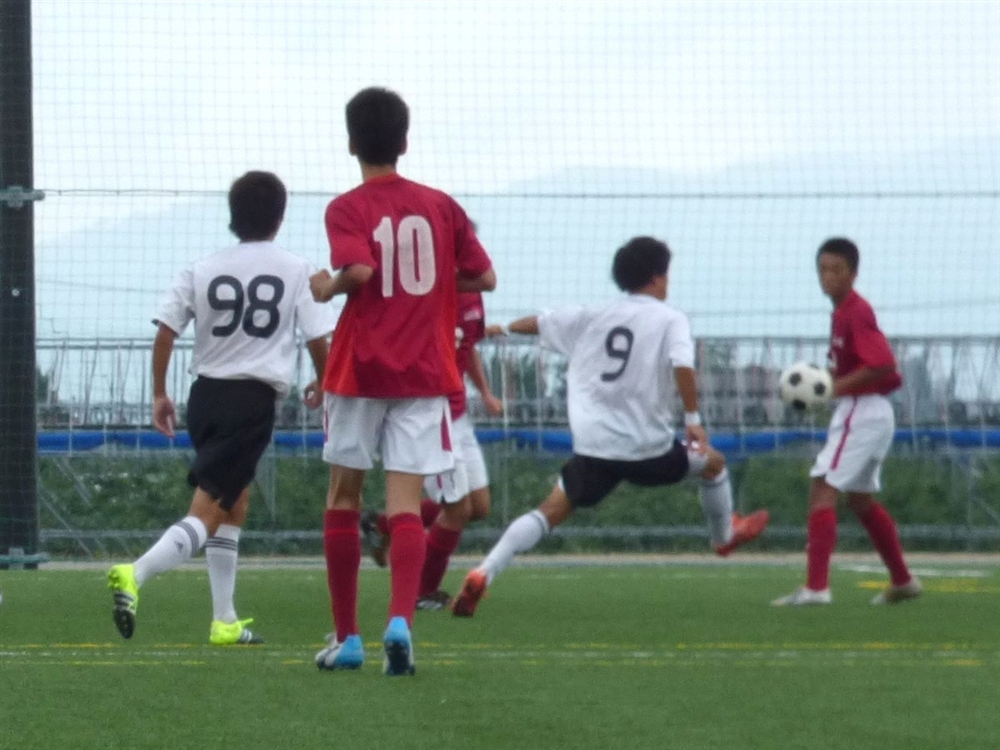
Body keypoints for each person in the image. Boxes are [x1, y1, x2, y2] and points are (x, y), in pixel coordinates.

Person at [450, 236, 770, 618]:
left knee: (548, 511)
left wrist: (501, 328)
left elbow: (538, 322)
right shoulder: (670, 319)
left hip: (595, 450)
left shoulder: (593, 315)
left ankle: (484, 572)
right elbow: (683, 365)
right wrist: (693, 421)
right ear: (657, 278)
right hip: (649, 450)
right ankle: (724, 538)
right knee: (713, 463)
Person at [309, 87, 496, 676]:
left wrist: (327, 286)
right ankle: (400, 624)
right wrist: (436, 284)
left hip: (360, 370)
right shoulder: (441, 206)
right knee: (407, 505)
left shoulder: (347, 208)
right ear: (405, 142)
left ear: (351, 143)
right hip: (424, 371)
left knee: (344, 498)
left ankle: (348, 638)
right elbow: (484, 278)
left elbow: (361, 270)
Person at [106, 171, 334, 643]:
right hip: (250, 400)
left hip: (204, 397)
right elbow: (317, 337)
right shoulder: (296, 268)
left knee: (235, 499)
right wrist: (325, 381)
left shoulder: (202, 268)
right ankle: (136, 574)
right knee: (209, 510)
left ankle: (225, 620)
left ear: (233, 217)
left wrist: (159, 393)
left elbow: (166, 331)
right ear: (280, 217)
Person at [772, 237, 922, 606]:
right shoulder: (842, 313)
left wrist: (831, 388)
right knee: (860, 501)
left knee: (822, 488)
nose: (828, 277)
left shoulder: (855, 311)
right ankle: (903, 582)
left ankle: (816, 589)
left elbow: (883, 364)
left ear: (853, 274)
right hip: (872, 412)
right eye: (823, 269)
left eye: (837, 270)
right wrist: (828, 383)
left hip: (862, 410)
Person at [360, 290, 504, 611]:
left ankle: (382, 525)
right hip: (433, 414)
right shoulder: (432, 292)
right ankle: (423, 591)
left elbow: (467, 348)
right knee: (457, 509)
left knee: (478, 506)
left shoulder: (472, 295)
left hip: (459, 415)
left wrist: (485, 392)